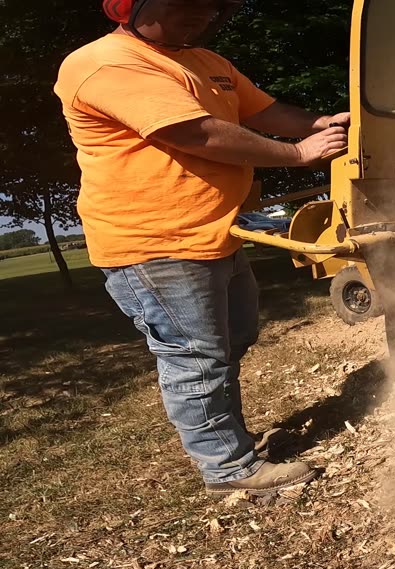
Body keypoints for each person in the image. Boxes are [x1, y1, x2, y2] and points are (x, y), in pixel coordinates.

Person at [54, 0, 349, 497]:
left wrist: (318, 123)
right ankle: (227, 468)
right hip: (155, 242)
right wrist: (298, 154)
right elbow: (194, 132)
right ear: (128, 6)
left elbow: (267, 111)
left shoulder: (208, 62)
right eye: (184, 2)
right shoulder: (103, 63)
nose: (202, 13)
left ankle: (229, 441)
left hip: (215, 233)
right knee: (195, 357)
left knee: (232, 341)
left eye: (210, 4)